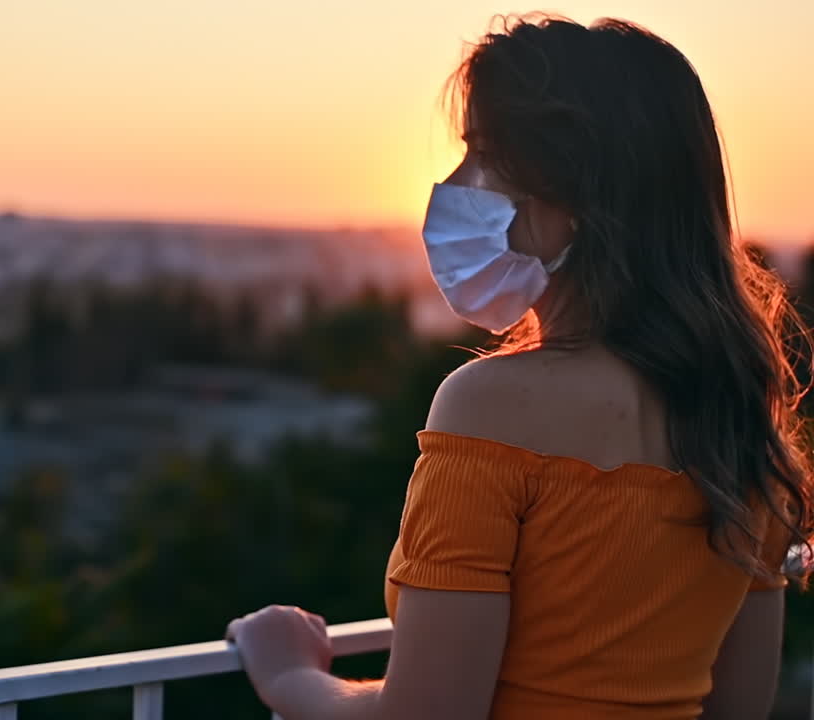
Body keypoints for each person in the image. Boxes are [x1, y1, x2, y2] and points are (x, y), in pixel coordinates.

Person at [226, 14, 813, 720]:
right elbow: (739, 708)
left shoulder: (491, 406)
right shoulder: (744, 424)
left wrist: (290, 676)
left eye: (483, 156)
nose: (457, 184)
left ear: (575, 197)